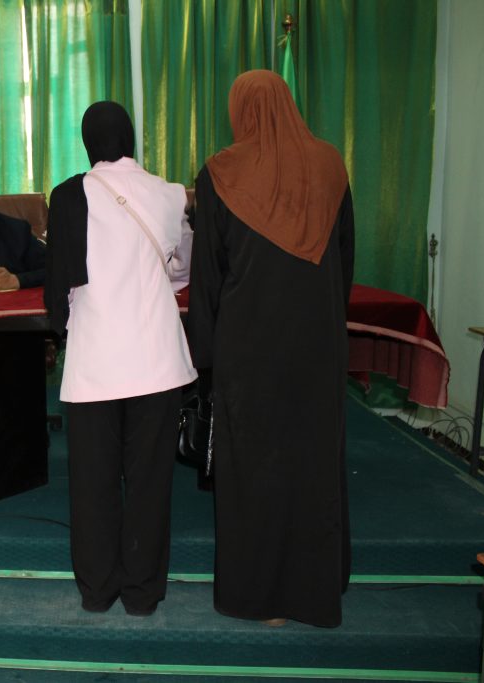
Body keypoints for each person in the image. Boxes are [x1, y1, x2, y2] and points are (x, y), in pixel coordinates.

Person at [186, 70, 355, 628]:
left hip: (247, 347)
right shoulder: (330, 164)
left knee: (252, 468)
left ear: (241, 110)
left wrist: (204, 358)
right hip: (317, 344)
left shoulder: (220, 171)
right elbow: (345, 259)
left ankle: (257, 598)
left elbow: (208, 277)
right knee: (313, 461)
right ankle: (316, 592)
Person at [45, 101, 197, 616]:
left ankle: (97, 590)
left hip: (95, 360)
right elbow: (182, 269)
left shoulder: (69, 195)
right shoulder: (170, 193)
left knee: (93, 482)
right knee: (150, 481)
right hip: (156, 358)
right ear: (131, 137)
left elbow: (58, 283)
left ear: (87, 141)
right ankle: (143, 594)